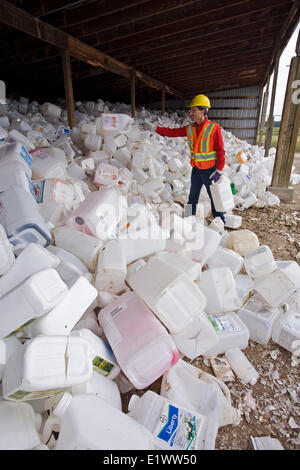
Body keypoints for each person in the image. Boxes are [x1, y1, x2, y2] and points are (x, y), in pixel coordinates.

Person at [147, 94, 226, 223]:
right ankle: (188, 220)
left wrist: (219, 171)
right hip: (196, 169)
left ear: (203, 111)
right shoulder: (190, 128)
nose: (190, 113)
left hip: (210, 170)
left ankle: (220, 221)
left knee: (215, 196)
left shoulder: (213, 128)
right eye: (190, 110)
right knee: (192, 196)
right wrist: (154, 128)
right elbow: (172, 133)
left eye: (194, 110)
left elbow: (220, 151)